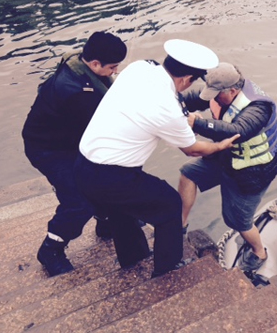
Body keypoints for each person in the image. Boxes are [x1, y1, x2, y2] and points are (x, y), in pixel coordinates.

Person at [74, 39, 240, 278]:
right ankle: (167, 269)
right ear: (185, 80)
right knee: (169, 204)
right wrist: (220, 146)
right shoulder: (168, 109)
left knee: (122, 210)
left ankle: (134, 258)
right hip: (109, 175)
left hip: (83, 165)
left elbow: (163, 102)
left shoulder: (140, 68)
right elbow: (192, 149)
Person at [22, 31, 127, 277]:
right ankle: (51, 250)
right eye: (112, 67)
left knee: (101, 175)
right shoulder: (75, 91)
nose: (115, 71)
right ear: (94, 63)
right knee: (78, 201)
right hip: (48, 149)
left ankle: (105, 222)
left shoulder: (81, 67)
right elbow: (104, 126)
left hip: (68, 140)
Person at [178, 62, 277, 273]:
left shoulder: (259, 108)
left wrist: (197, 123)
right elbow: (191, 99)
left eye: (217, 94)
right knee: (188, 174)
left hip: (251, 171)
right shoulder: (219, 91)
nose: (212, 98)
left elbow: (237, 130)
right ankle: (179, 227)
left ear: (233, 90)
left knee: (239, 221)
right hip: (225, 158)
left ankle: (259, 252)